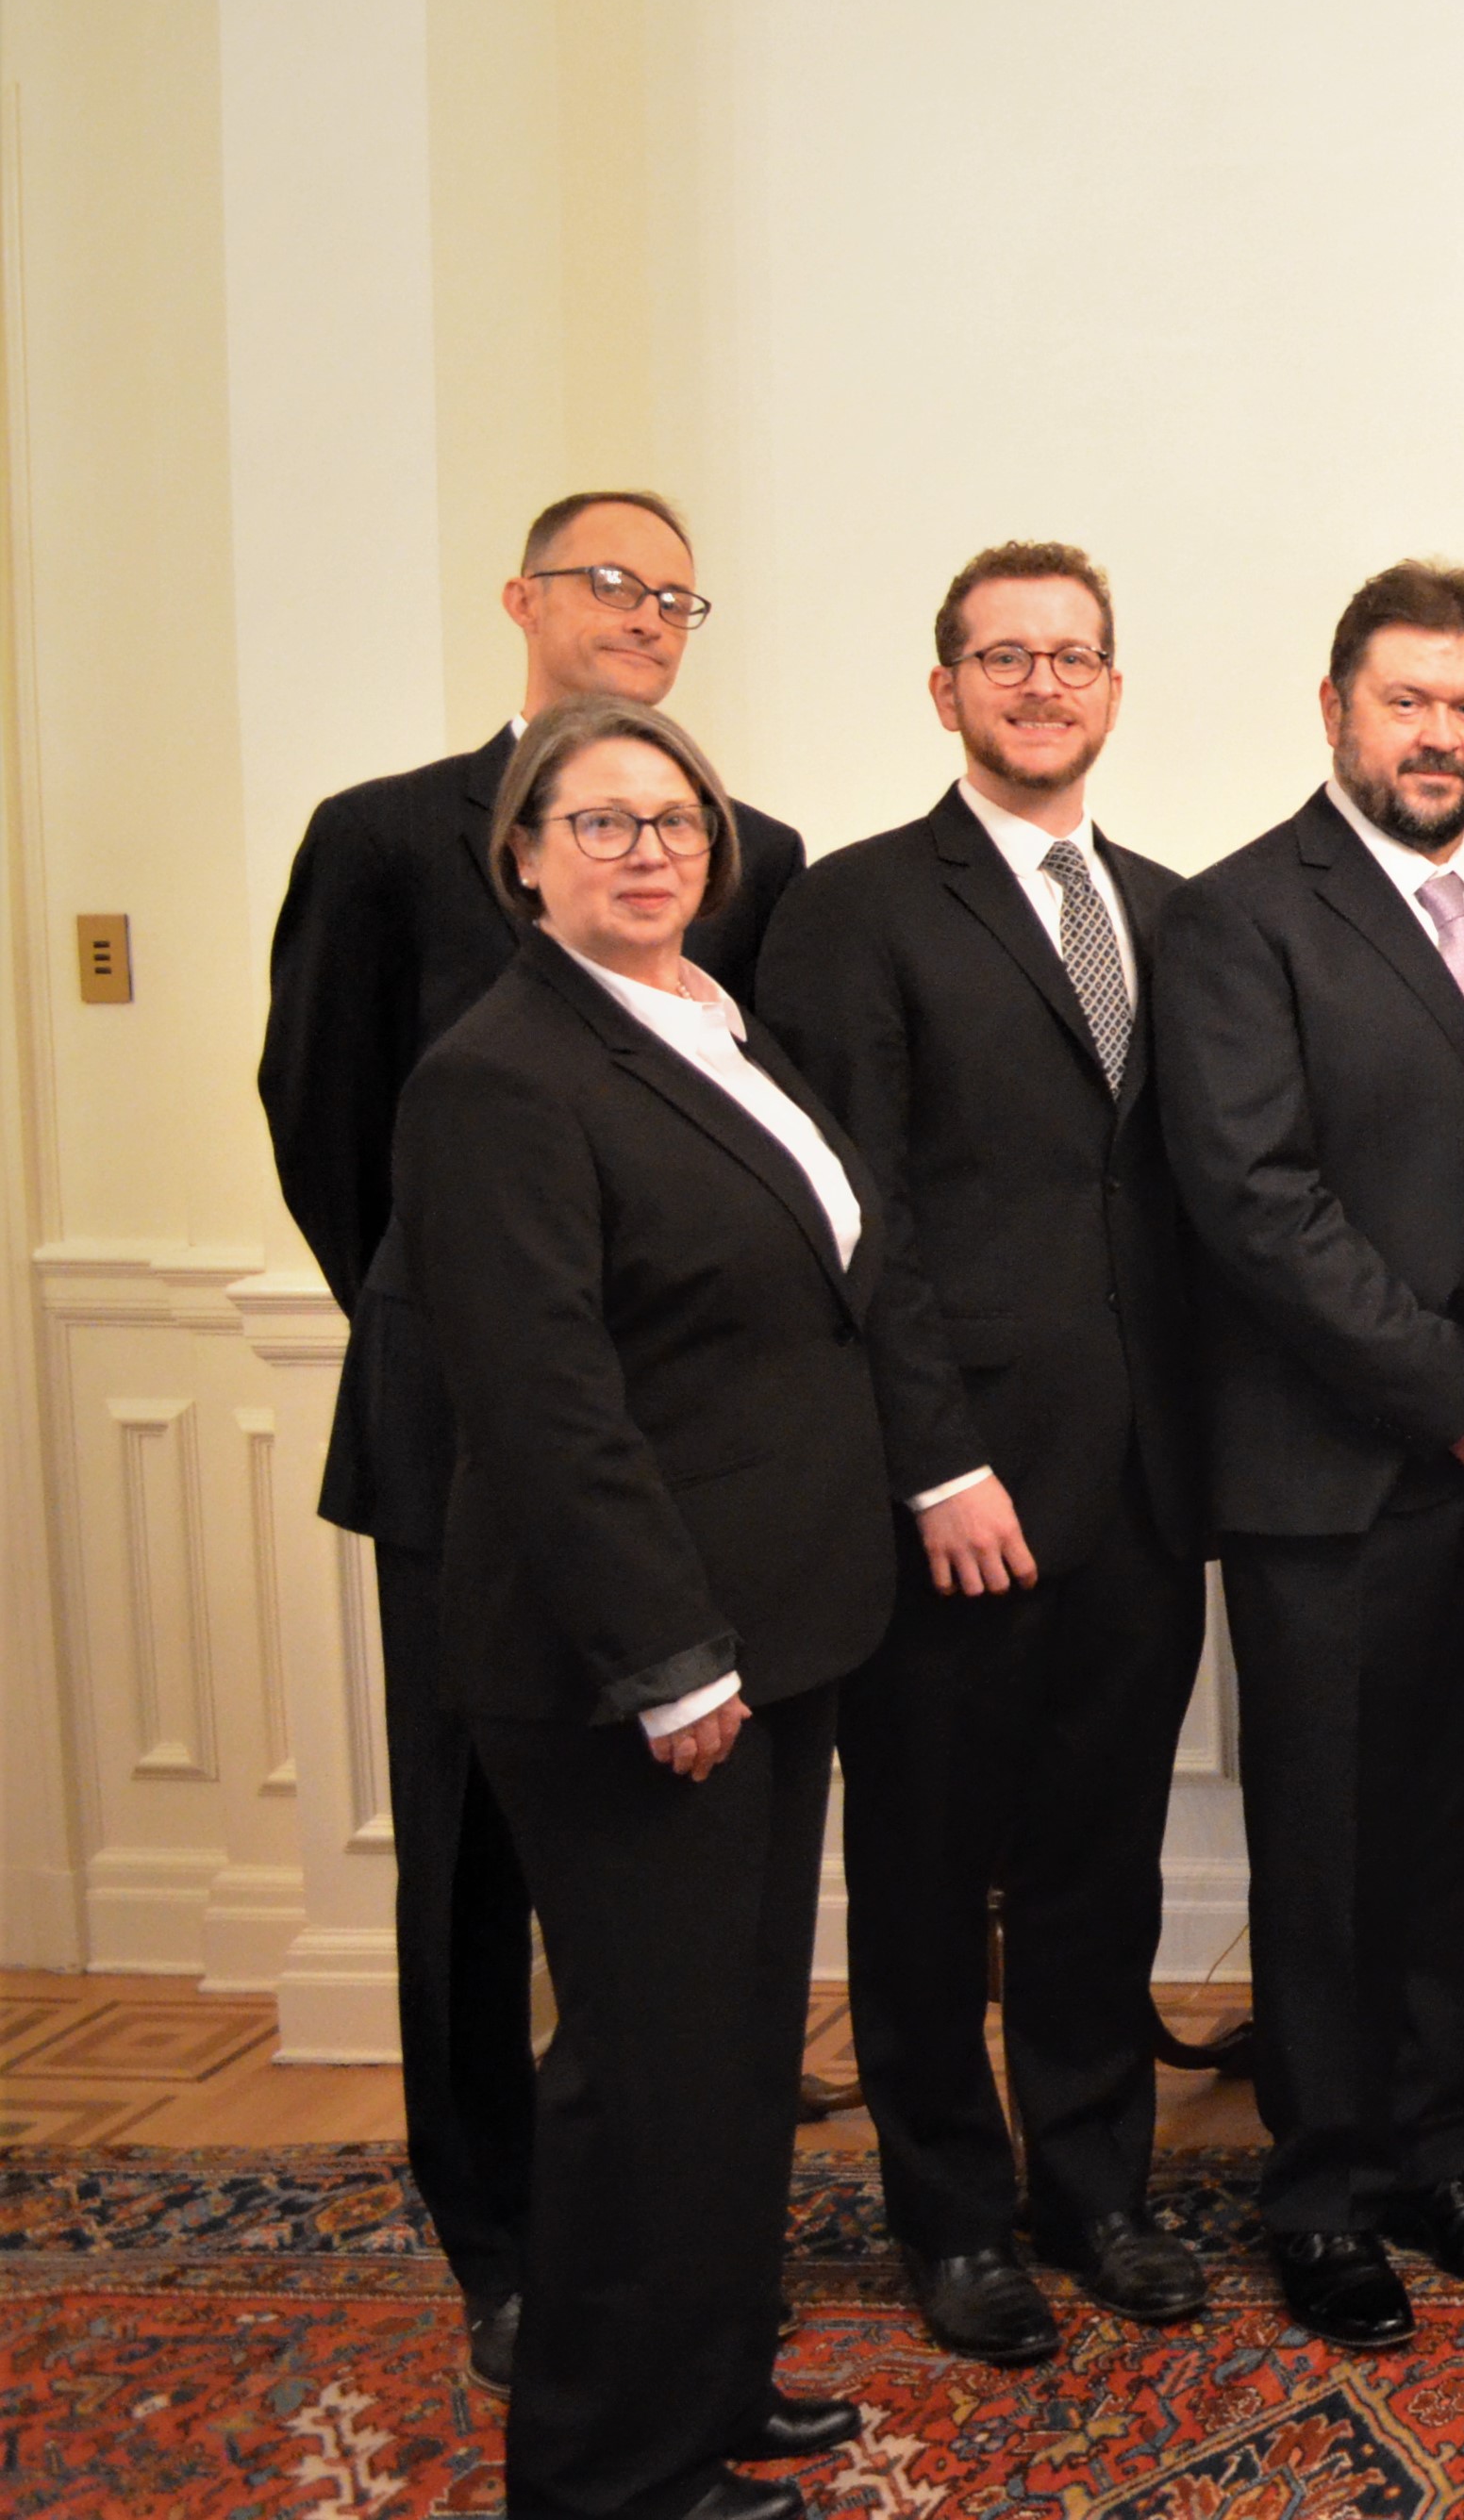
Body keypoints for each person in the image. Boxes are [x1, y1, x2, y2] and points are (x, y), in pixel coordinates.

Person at [257, 487, 808, 2397]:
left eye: (677, 595)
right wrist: (473, 1340)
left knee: (681, 1898)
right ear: (521, 598)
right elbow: (326, 1124)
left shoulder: (750, 855)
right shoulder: (382, 837)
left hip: (696, 1459)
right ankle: (498, 2245)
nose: (645, 614)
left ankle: (677, 2265)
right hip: (459, 1451)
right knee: (473, 1862)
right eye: (611, 581)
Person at [397, 699, 955, 2520]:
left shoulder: (707, 1017)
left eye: (677, 821)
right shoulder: (500, 1073)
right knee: (640, 2075)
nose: (648, 850)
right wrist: (666, 1654)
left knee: (725, 2053)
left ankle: (705, 2376)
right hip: (634, 1660)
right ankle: (602, 2468)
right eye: (603, 820)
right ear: (525, 854)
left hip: (779, 1625)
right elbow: (543, 1398)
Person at [749, 543, 1210, 2365]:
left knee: (1103, 1864)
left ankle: (1095, 2189)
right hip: (955, 1492)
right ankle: (948, 2216)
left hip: (1144, 1485)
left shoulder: (1173, 911)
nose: (1041, 683)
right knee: (931, 1873)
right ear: (944, 690)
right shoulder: (853, 908)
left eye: (1072, 655)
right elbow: (846, 1213)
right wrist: (933, 1463)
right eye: (1003, 656)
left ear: (1114, 688)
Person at [1155, 558, 1464, 2352]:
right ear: (1335, 709)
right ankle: (1324, 2192)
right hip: (1329, 1478)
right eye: (1405, 699)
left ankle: (1444, 2157)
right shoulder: (1238, 916)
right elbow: (1254, 1200)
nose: (1437, 733)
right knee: (1332, 1853)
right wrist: (1448, 1381)